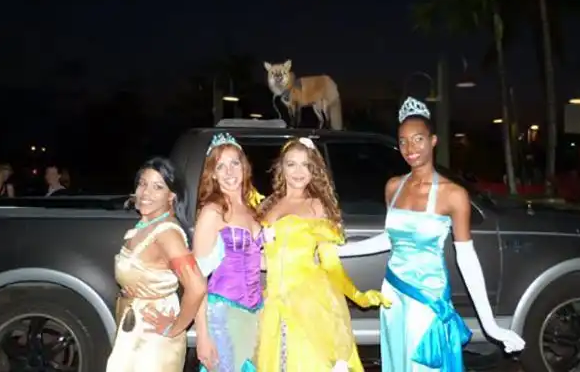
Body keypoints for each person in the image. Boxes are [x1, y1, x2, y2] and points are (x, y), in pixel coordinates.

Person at [339, 97, 525, 371]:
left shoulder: (453, 194)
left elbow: (466, 258)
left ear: (433, 140)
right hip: (392, 295)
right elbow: (392, 239)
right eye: (403, 141)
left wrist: (490, 325)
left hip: (426, 299)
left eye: (418, 139)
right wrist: (339, 250)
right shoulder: (393, 187)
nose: (410, 149)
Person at [255, 137, 390, 372]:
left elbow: (331, 264)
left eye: (306, 165)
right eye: (291, 164)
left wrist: (359, 296)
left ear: (314, 171)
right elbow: (266, 260)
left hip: (308, 301)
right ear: (281, 167)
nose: (298, 172)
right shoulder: (268, 205)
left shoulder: (316, 206)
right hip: (274, 302)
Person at [106, 157, 206, 372]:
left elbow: (197, 286)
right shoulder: (147, 224)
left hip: (152, 340)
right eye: (142, 184)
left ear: (171, 196)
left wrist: (175, 328)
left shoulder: (167, 234)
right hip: (135, 330)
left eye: (157, 187)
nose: (145, 193)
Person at [193, 132, 265, 372]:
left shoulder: (253, 209)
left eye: (234, 163)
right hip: (223, 315)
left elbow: (257, 260)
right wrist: (203, 336)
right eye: (220, 166)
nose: (229, 172)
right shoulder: (212, 212)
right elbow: (196, 279)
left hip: (256, 313)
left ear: (244, 167)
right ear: (213, 173)